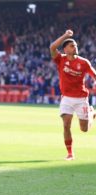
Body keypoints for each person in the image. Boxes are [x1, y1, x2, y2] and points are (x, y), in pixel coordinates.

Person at [50, 30, 96, 160]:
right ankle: (70, 153)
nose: (75, 47)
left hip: (81, 99)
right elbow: (52, 47)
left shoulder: (83, 62)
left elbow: (93, 73)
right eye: (72, 45)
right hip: (66, 98)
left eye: (75, 45)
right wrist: (65, 35)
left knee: (84, 129)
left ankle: (92, 113)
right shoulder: (60, 59)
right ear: (65, 49)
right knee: (66, 125)